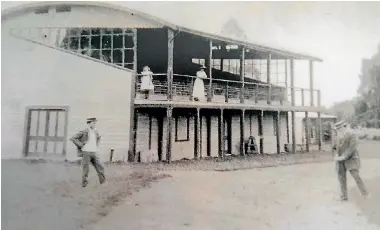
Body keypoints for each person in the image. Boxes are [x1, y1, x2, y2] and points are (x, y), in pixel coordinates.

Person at [333, 120, 369, 201]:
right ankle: (344, 196)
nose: (339, 130)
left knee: (356, 177)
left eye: (340, 128)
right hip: (340, 161)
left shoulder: (352, 135)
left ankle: (365, 193)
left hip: (351, 159)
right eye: (337, 129)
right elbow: (335, 147)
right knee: (341, 178)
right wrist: (336, 154)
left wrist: (343, 157)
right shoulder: (338, 136)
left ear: (344, 127)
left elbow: (351, 148)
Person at [70, 118, 106, 187]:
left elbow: (98, 137)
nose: (94, 124)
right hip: (86, 152)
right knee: (86, 169)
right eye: (93, 123)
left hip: (94, 152)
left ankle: (103, 182)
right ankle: (84, 184)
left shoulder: (95, 131)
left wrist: (96, 146)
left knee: (100, 167)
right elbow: (73, 138)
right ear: (88, 123)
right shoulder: (83, 132)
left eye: (95, 123)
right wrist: (81, 145)